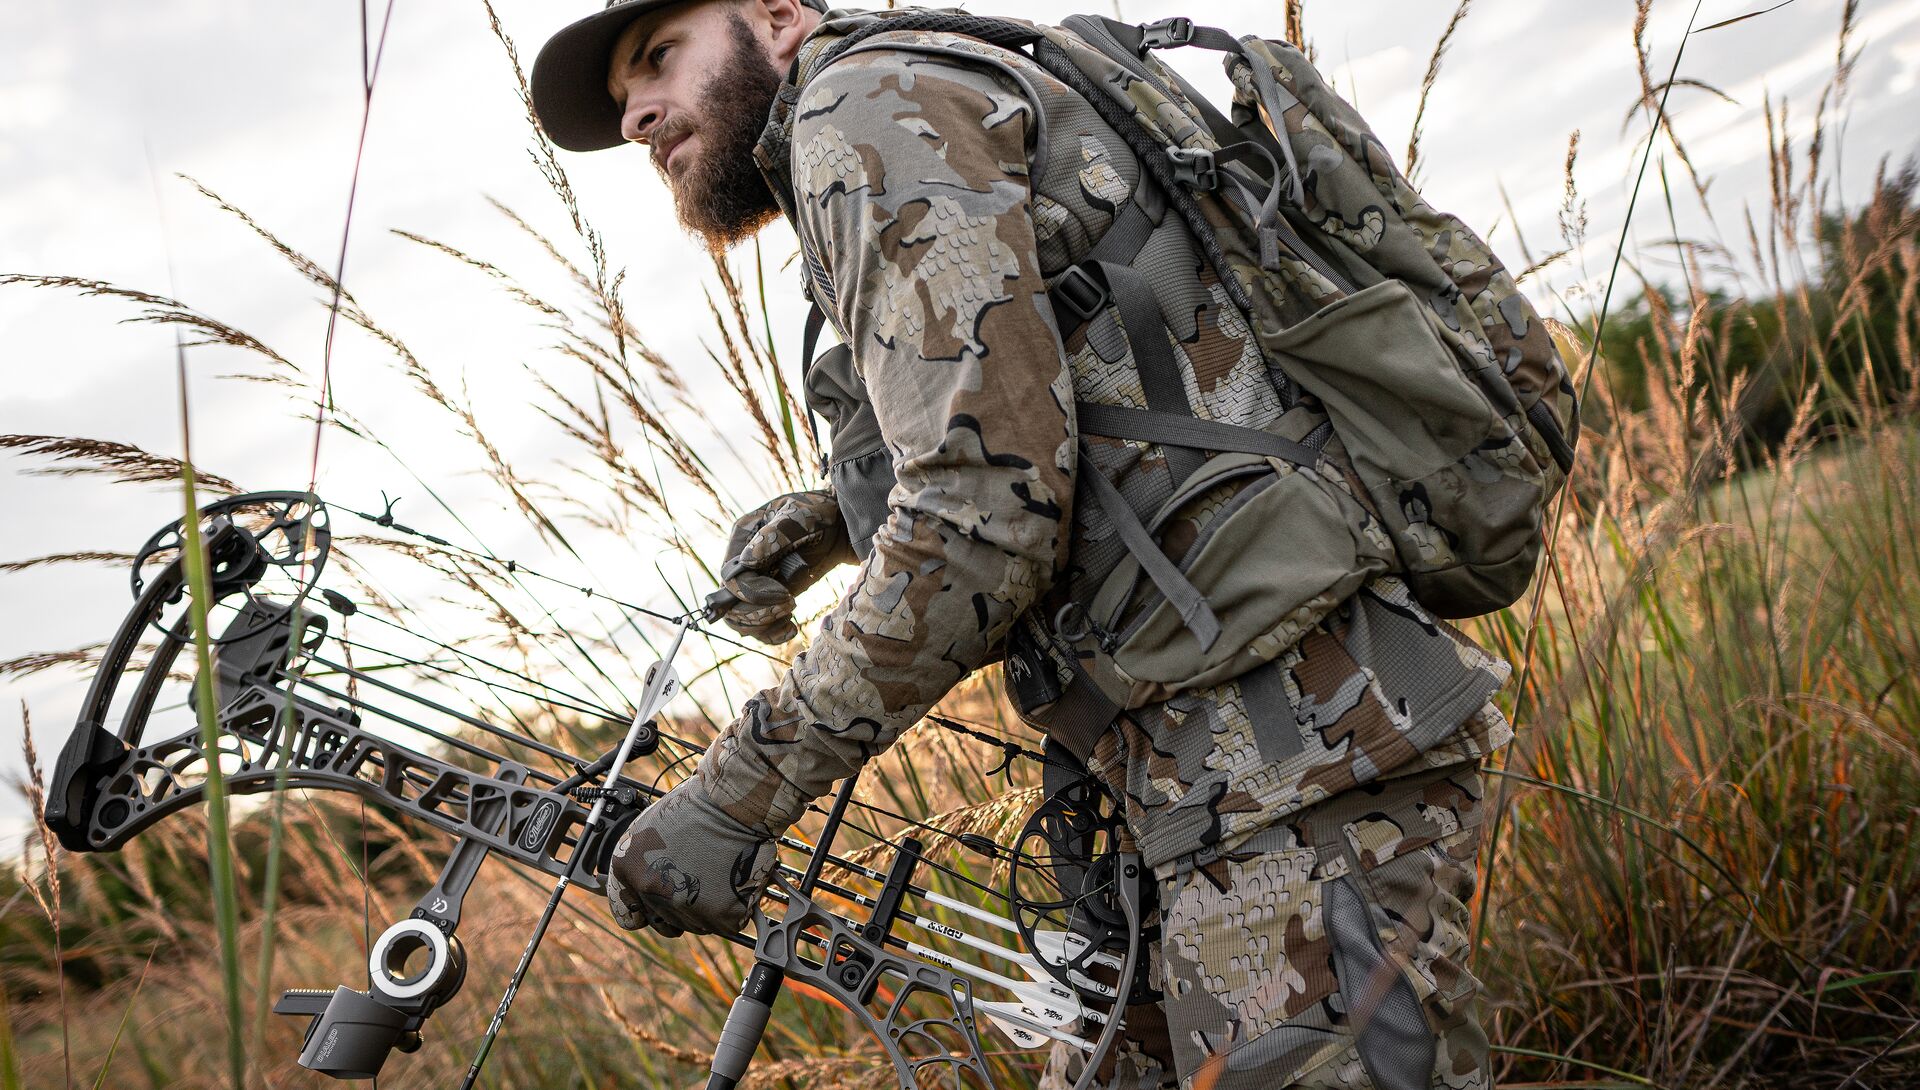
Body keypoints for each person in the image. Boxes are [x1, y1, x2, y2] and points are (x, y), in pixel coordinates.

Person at [531, 2, 1519, 1086]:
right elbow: (1070, 389)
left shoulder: (863, 110)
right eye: (624, 100)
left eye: (657, 60)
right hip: (1216, 773)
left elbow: (981, 515)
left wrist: (731, 796)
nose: (636, 117)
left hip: (1293, 765)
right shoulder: (927, 78)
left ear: (775, 17)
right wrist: (835, 517)